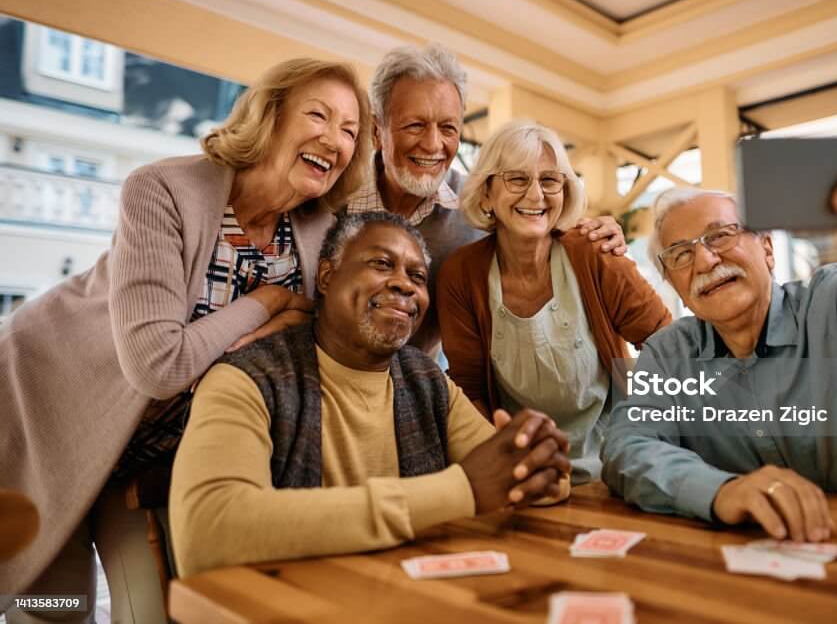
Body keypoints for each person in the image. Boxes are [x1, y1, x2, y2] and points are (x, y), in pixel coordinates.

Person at [0, 58, 373, 622]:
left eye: (349, 130)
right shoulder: (163, 189)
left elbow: (308, 352)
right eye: (318, 115)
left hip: (154, 452)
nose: (334, 139)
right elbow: (157, 364)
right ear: (269, 118)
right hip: (51, 408)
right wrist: (267, 304)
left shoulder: (318, 235)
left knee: (157, 611)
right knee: (52, 605)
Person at [601, 111, 837, 544]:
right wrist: (720, 490)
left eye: (720, 235)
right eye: (681, 255)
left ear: (767, 249)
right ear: (677, 289)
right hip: (760, 572)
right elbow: (628, 447)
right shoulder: (669, 355)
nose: (704, 261)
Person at [169, 212, 570, 576]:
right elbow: (210, 530)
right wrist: (460, 491)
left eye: (417, 277)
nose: (404, 284)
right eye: (381, 263)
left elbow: (512, 478)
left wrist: (539, 462)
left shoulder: (427, 380)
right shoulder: (245, 379)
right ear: (326, 277)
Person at [341, 43, 628, 352]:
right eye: (415, 125)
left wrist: (594, 233)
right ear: (375, 131)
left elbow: (538, 223)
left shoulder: (481, 202)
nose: (433, 144)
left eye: (448, 128)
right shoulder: (332, 198)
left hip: (419, 383)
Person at [438, 120, 672, 485]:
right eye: (517, 179)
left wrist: (644, 436)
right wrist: (505, 464)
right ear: (486, 193)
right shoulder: (460, 274)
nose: (536, 196)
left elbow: (667, 344)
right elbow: (470, 390)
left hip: (616, 468)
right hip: (523, 471)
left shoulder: (595, 252)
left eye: (549, 180)